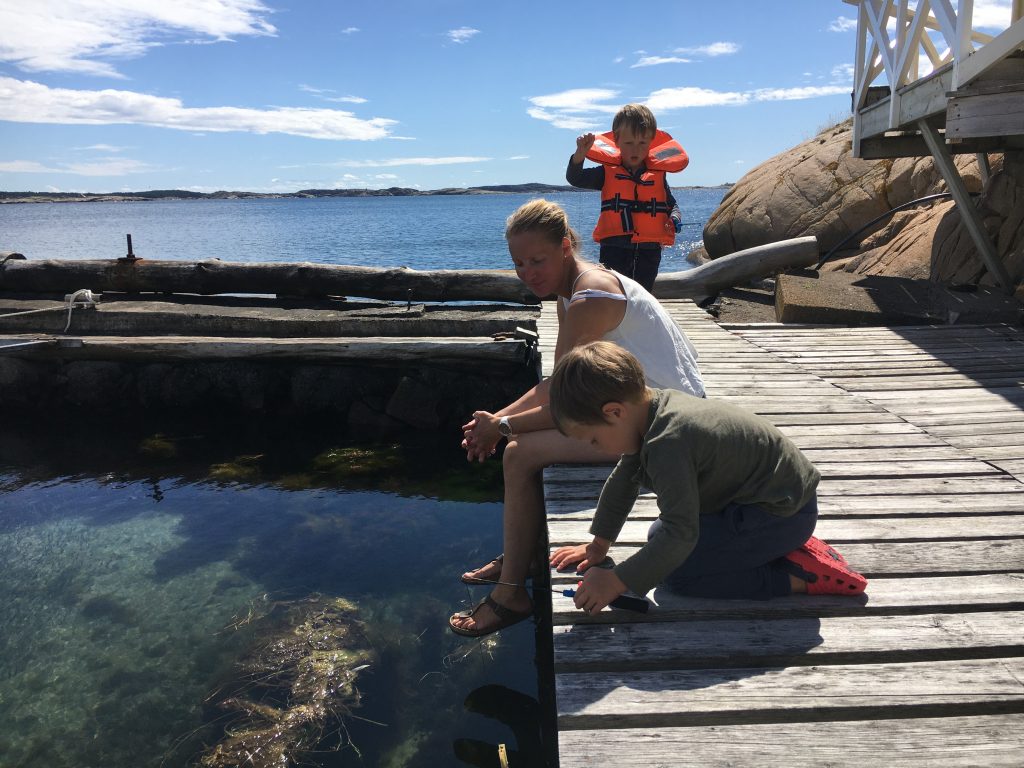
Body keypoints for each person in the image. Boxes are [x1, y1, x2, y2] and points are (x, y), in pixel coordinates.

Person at [449, 199, 704, 638]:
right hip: (634, 408)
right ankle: (523, 558)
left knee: (519, 453)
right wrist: (494, 420)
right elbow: (557, 384)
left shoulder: (590, 296)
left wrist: (502, 428)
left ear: (565, 246)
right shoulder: (572, 290)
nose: (528, 273)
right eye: (519, 264)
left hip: (667, 427)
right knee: (517, 444)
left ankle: (511, 594)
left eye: (538, 260)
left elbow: (565, 400)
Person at [547, 340, 867, 612]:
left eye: (594, 440)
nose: (598, 449)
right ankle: (774, 547)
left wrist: (617, 581)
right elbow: (622, 483)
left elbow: (681, 535)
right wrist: (598, 547)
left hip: (782, 513)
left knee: (679, 575)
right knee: (659, 536)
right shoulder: (652, 410)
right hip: (770, 499)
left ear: (615, 412)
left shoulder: (667, 443)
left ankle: (799, 577)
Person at [566, 103, 689, 293]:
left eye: (642, 143)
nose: (635, 150)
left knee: (642, 293)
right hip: (614, 247)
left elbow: (671, 204)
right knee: (613, 292)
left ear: (651, 142)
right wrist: (579, 155)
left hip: (649, 249)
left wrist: (675, 218)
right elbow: (576, 178)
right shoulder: (606, 172)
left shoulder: (658, 174)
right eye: (629, 143)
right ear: (616, 141)